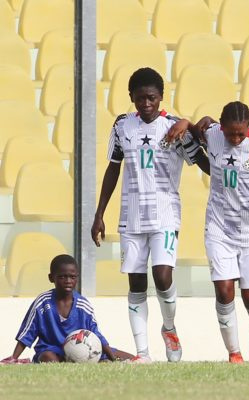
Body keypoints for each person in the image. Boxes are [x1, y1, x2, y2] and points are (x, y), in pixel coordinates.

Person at [91, 67, 207, 363]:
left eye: (152, 98)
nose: (146, 104)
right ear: (131, 97)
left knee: (163, 275)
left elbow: (202, 162)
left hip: (166, 213)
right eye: (140, 98)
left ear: (161, 98)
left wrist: (191, 126)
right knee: (136, 282)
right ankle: (142, 353)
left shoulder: (173, 128)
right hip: (131, 216)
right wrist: (99, 213)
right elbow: (113, 168)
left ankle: (169, 328)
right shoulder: (121, 127)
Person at [170, 101, 249, 363]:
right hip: (219, 227)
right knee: (224, 291)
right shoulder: (213, 134)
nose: (236, 138)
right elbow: (195, 131)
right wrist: (187, 122)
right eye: (232, 133)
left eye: (241, 133)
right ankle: (234, 353)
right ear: (222, 126)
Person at [1, 255, 133, 363]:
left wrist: (112, 357)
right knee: (49, 359)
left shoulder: (83, 305)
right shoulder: (42, 302)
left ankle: (100, 361)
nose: (68, 280)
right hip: (51, 350)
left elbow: (96, 335)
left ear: (77, 278)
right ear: (51, 278)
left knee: (130, 358)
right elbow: (27, 332)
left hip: (83, 350)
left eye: (72, 277)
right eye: (62, 277)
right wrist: (14, 358)